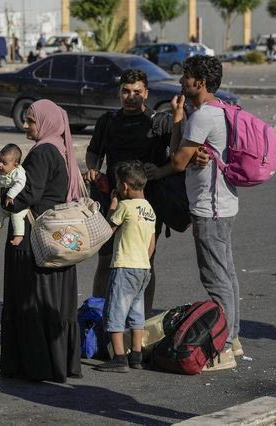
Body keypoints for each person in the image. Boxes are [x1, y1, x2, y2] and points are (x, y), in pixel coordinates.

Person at [0, 99, 84, 383]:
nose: (26, 125)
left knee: (29, 300)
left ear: (46, 123)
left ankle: (36, 365)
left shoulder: (41, 153)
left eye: (31, 121)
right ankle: (59, 362)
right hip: (55, 240)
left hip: (31, 241)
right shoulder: (60, 149)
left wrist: (3, 198)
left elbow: (27, 195)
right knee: (54, 302)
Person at [170, 55, 241, 370]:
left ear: (199, 81)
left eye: (186, 76)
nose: (182, 81)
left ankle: (222, 347)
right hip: (224, 204)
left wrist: (178, 124)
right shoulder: (221, 110)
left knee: (216, 279)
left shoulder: (202, 117)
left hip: (209, 208)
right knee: (226, 274)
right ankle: (234, 338)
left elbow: (176, 162)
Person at [83, 69, 173, 319]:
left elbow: (179, 158)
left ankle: (138, 324)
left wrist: (162, 170)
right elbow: (93, 153)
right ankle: (98, 319)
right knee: (106, 261)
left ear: (146, 94)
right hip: (111, 202)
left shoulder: (159, 122)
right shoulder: (107, 121)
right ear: (119, 92)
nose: (130, 97)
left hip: (147, 205)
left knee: (145, 264)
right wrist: (92, 169)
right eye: (126, 91)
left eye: (136, 92)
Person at [96, 161, 156, 373]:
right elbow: (151, 243)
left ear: (125, 187)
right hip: (143, 268)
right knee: (136, 313)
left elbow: (107, 229)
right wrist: (144, 261)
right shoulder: (149, 209)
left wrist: (113, 203)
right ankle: (136, 355)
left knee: (115, 311)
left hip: (124, 266)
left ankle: (120, 358)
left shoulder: (125, 206)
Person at [0, 144, 28, 246]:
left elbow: (20, 183)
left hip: (19, 205)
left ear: (15, 164)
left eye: (4, 163)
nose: (0, 165)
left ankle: (19, 236)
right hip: (5, 203)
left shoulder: (18, 172)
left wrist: (10, 195)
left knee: (16, 216)